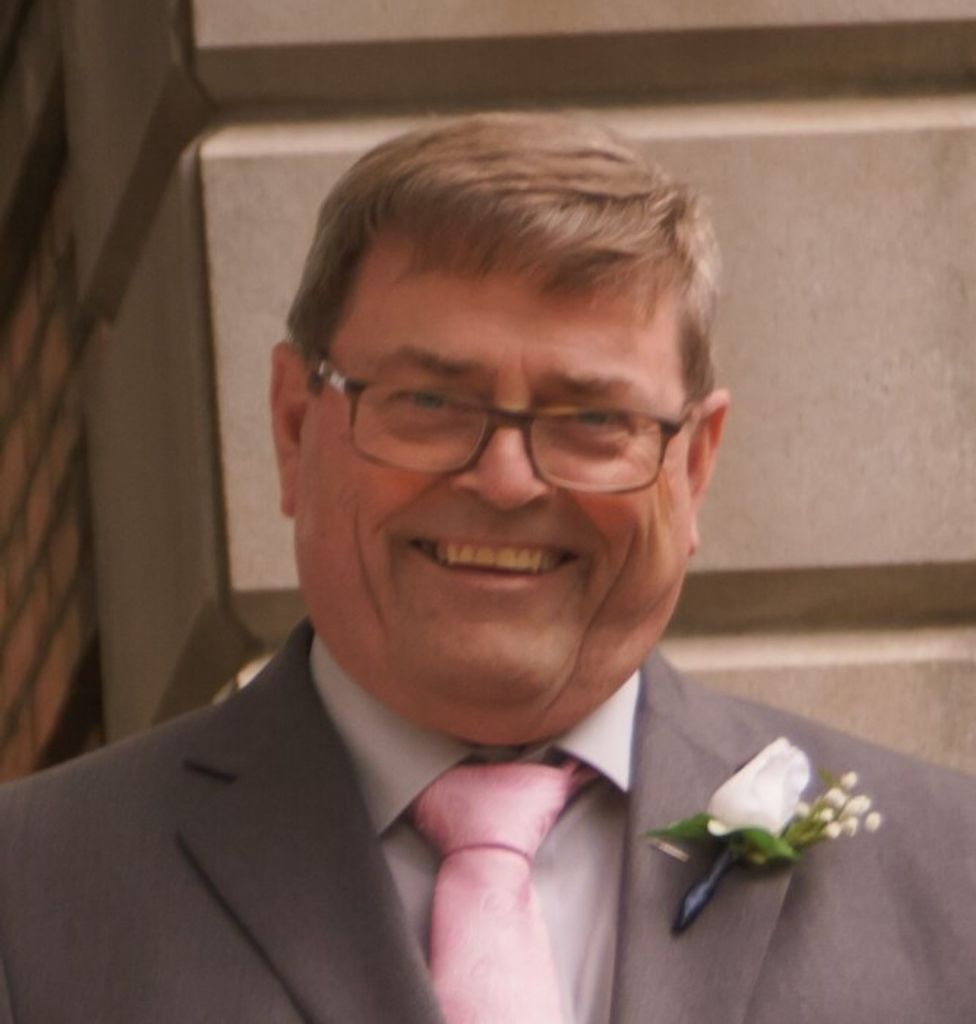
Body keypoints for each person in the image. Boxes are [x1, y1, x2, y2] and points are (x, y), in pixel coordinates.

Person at [0, 112, 973, 1024]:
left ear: (694, 465)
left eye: (593, 419)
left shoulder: (948, 872)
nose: (506, 481)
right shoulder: (32, 893)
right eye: (428, 402)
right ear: (295, 427)